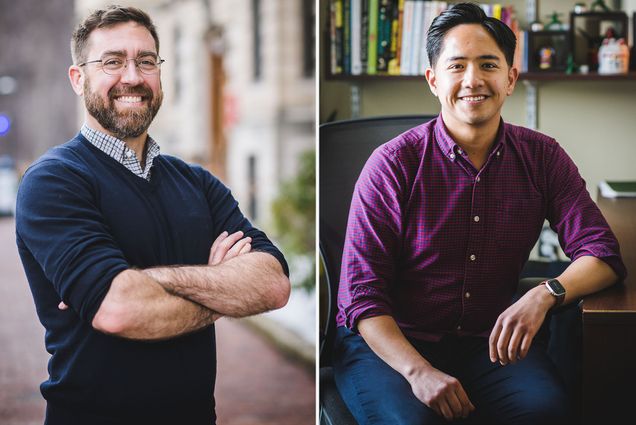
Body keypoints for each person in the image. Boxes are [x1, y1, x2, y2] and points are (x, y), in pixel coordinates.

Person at [333, 3, 625, 424]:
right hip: (391, 345)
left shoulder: (542, 157)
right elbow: (361, 297)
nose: (473, 80)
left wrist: (545, 294)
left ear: (510, 79)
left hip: (487, 342)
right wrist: (419, 372)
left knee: (547, 411)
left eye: (488, 64)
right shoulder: (392, 164)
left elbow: (603, 254)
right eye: (457, 66)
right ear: (434, 80)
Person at [15, 6, 290, 425]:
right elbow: (119, 310)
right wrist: (221, 292)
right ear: (78, 78)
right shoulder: (53, 181)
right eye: (112, 61)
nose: (132, 77)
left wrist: (146, 281)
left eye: (146, 61)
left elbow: (273, 285)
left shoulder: (197, 181)